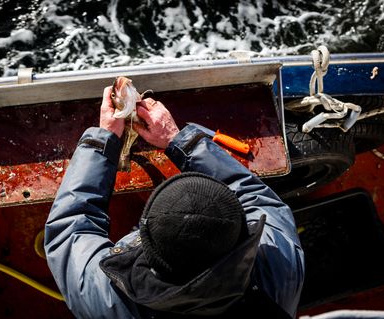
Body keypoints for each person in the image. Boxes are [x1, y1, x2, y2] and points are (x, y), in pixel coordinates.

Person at [45, 86, 305, 319]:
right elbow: (258, 199)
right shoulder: (277, 271)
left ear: (145, 244)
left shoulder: (110, 299)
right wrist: (177, 139)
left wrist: (103, 140)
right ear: (240, 235)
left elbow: (69, 229)